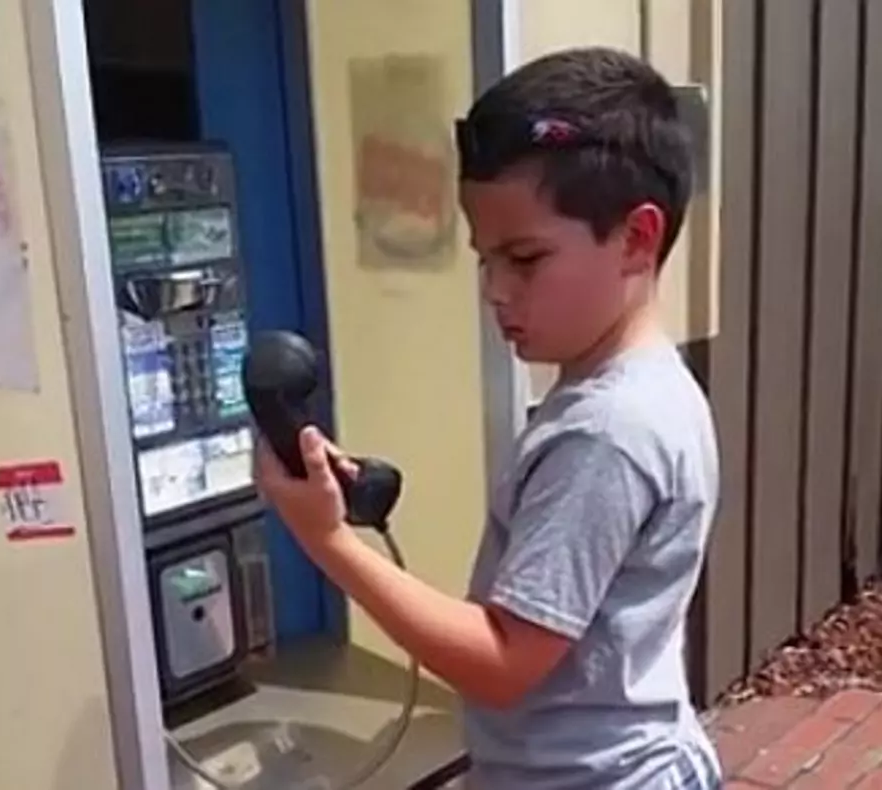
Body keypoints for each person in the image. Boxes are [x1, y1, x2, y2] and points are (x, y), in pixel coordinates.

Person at [255, 46, 721, 790]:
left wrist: (327, 540)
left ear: (636, 238)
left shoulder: (605, 434)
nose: (495, 291)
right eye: (484, 260)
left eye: (525, 259)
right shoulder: (649, 385)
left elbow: (504, 665)